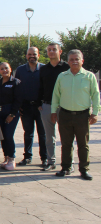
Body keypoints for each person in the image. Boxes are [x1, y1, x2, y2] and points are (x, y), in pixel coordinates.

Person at [51, 50, 100, 181]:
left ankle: (84, 169)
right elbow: (56, 95)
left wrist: (95, 113)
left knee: (83, 144)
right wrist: (53, 111)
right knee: (66, 144)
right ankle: (65, 168)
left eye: (77, 59)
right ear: (68, 61)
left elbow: (95, 95)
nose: (74, 61)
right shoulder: (62, 76)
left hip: (83, 116)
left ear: (82, 61)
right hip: (65, 115)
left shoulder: (89, 76)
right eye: (72, 59)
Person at [38, 43, 70, 171]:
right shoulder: (44, 69)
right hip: (47, 106)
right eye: (49, 50)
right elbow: (40, 87)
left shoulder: (67, 68)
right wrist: (39, 104)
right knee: (49, 136)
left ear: (60, 51)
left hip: (64, 106)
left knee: (66, 137)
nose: (51, 52)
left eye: (54, 49)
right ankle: (51, 161)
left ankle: (68, 162)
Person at [14, 47, 47, 167]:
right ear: (26, 56)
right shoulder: (20, 70)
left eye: (34, 54)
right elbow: (17, 88)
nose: (32, 56)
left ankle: (45, 158)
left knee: (42, 134)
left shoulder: (44, 69)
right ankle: (27, 157)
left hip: (41, 108)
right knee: (28, 133)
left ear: (38, 55)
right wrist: (19, 106)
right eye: (29, 54)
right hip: (26, 107)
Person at [0, 62, 21, 170]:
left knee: (8, 135)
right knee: (2, 136)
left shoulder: (15, 82)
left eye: (6, 68)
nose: (4, 70)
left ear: (10, 69)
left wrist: (12, 114)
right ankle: (6, 157)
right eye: (2, 69)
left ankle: (12, 158)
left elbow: (18, 101)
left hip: (10, 112)